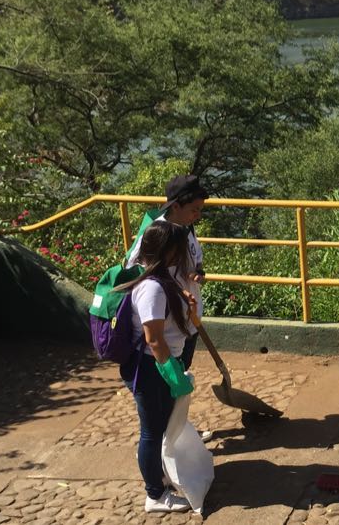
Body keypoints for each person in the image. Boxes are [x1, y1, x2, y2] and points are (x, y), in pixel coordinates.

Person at [119, 220, 200, 513]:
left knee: (163, 426)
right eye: (180, 250)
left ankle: (162, 477)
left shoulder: (162, 280)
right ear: (168, 252)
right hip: (151, 368)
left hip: (161, 365)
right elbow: (154, 339)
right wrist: (172, 373)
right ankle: (154, 494)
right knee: (152, 432)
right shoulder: (151, 288)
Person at [127, 173, 208, 370]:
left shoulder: (188, 229)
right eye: (194, 210)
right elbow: (140, 275)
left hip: (188, 320)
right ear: (175, 206)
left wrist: (197, 273)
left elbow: (195, 261)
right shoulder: (156, 234)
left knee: (180, 382)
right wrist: (177, 289)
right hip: (167, 328)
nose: (198, 215)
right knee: (167, 387)